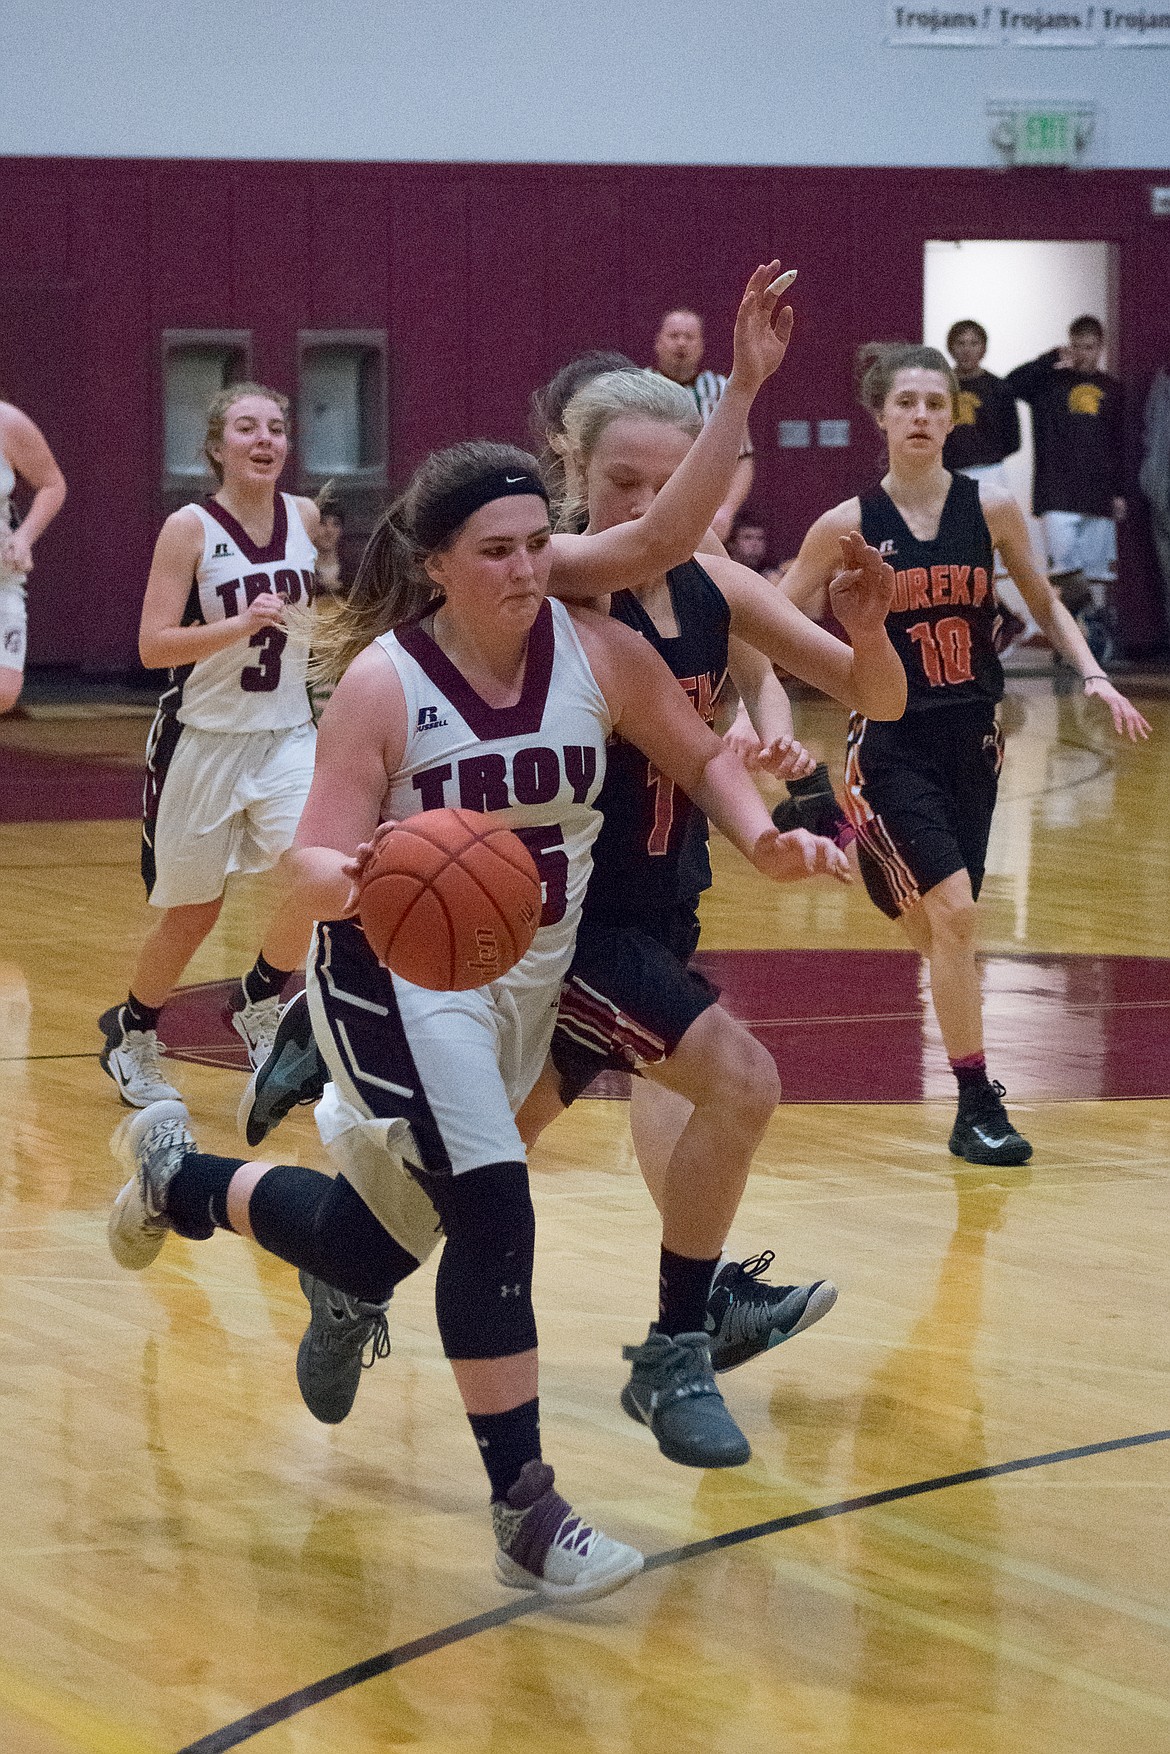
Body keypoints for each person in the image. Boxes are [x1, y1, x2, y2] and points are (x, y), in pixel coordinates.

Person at [107, 263, 843, 1602]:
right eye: (492, 552)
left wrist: (765, 831)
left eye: (527, 550)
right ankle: (528, 1509)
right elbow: (319, 848)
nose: (519, 567)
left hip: (534, 973)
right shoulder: (386, 685)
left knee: (380, 1241)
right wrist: (375, 862)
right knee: (497, 1210)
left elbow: (699, 748)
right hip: (405, 982)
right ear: (439, 562)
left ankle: (181, 1182)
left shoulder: (600, 649)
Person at [781, 344, 1150, 1167]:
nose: (920, 416)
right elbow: (769, 616)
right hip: (891, 742)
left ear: (955, 416)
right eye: (905, 402)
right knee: (954, 916)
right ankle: (975, 1102)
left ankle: (845, 837)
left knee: (938, 925)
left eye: (934, 403)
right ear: (880, 415)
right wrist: (765, 707)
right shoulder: (846, 526)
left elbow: (1045, 600)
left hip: (975, 742)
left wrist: (1093, 676)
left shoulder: (992, 509)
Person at [98, 384, 321, 1107]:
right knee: (195, 910)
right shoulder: (189, 528)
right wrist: (237, 626)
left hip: (288, 732)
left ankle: (259, 1000)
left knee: (322, 878)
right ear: (217, 446)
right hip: (205, 738)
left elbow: (316, 622)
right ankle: (132, 1033)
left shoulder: (306, 518)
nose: (265, 440)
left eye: (277, 428)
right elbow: (152, 645)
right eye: (247, 428)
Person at [1005, 317, 1126, 664]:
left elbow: (1120, 443)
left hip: (1099, 494)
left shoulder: (1112, 389)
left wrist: (1119, 493)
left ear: (1100, 347)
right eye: (1078, 346)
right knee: (1066, 570)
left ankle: (1073, 641)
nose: (1084, 354)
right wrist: (1049, 358)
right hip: (1056, 492)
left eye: (1090, 347)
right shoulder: (1048, 383)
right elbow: (1012, 385)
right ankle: (1093, 622)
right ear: (1069, 345)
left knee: (1096, 572)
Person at [943, 321, 1034, 647]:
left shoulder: (999, 389)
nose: (967, 349)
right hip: (950, 477)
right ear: (951, 347)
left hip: (990, 474)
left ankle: (1000, 621)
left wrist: (984, 455)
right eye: (961, 342)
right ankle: (1002, 618)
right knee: (957, 555)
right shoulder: (942, 386)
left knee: (987, 552)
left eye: (973, 342)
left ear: (983, 347)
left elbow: (1014, 439)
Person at [653, 305, 754, 540]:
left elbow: (744, 458)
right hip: (652, 512)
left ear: (701, 346)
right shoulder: (637, 387)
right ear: (658, 342)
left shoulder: (723, 389)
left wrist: (727, 511)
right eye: (674, 336)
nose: (681, 343)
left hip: (707, 515)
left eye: (689, 337)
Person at [0, 400, 67, 716]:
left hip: (2, 576)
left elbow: (52, 484)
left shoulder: (7, 421)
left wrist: (24, 537)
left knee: (4, 690)